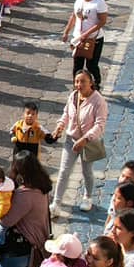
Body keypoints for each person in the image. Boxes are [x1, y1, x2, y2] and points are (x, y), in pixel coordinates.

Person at [50, 70, 108, 214]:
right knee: (64, 171)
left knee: (87, 171)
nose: (79, 84)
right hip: (71, 140)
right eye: (77, 81)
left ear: (91, 83)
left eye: (83, 81)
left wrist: (85, 139)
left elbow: (100, 125)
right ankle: (56, 203)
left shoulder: (98, 101)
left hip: (88, 142)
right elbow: (66, 114)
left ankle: (87, 197)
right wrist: (60, 126)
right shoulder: (73, 96)